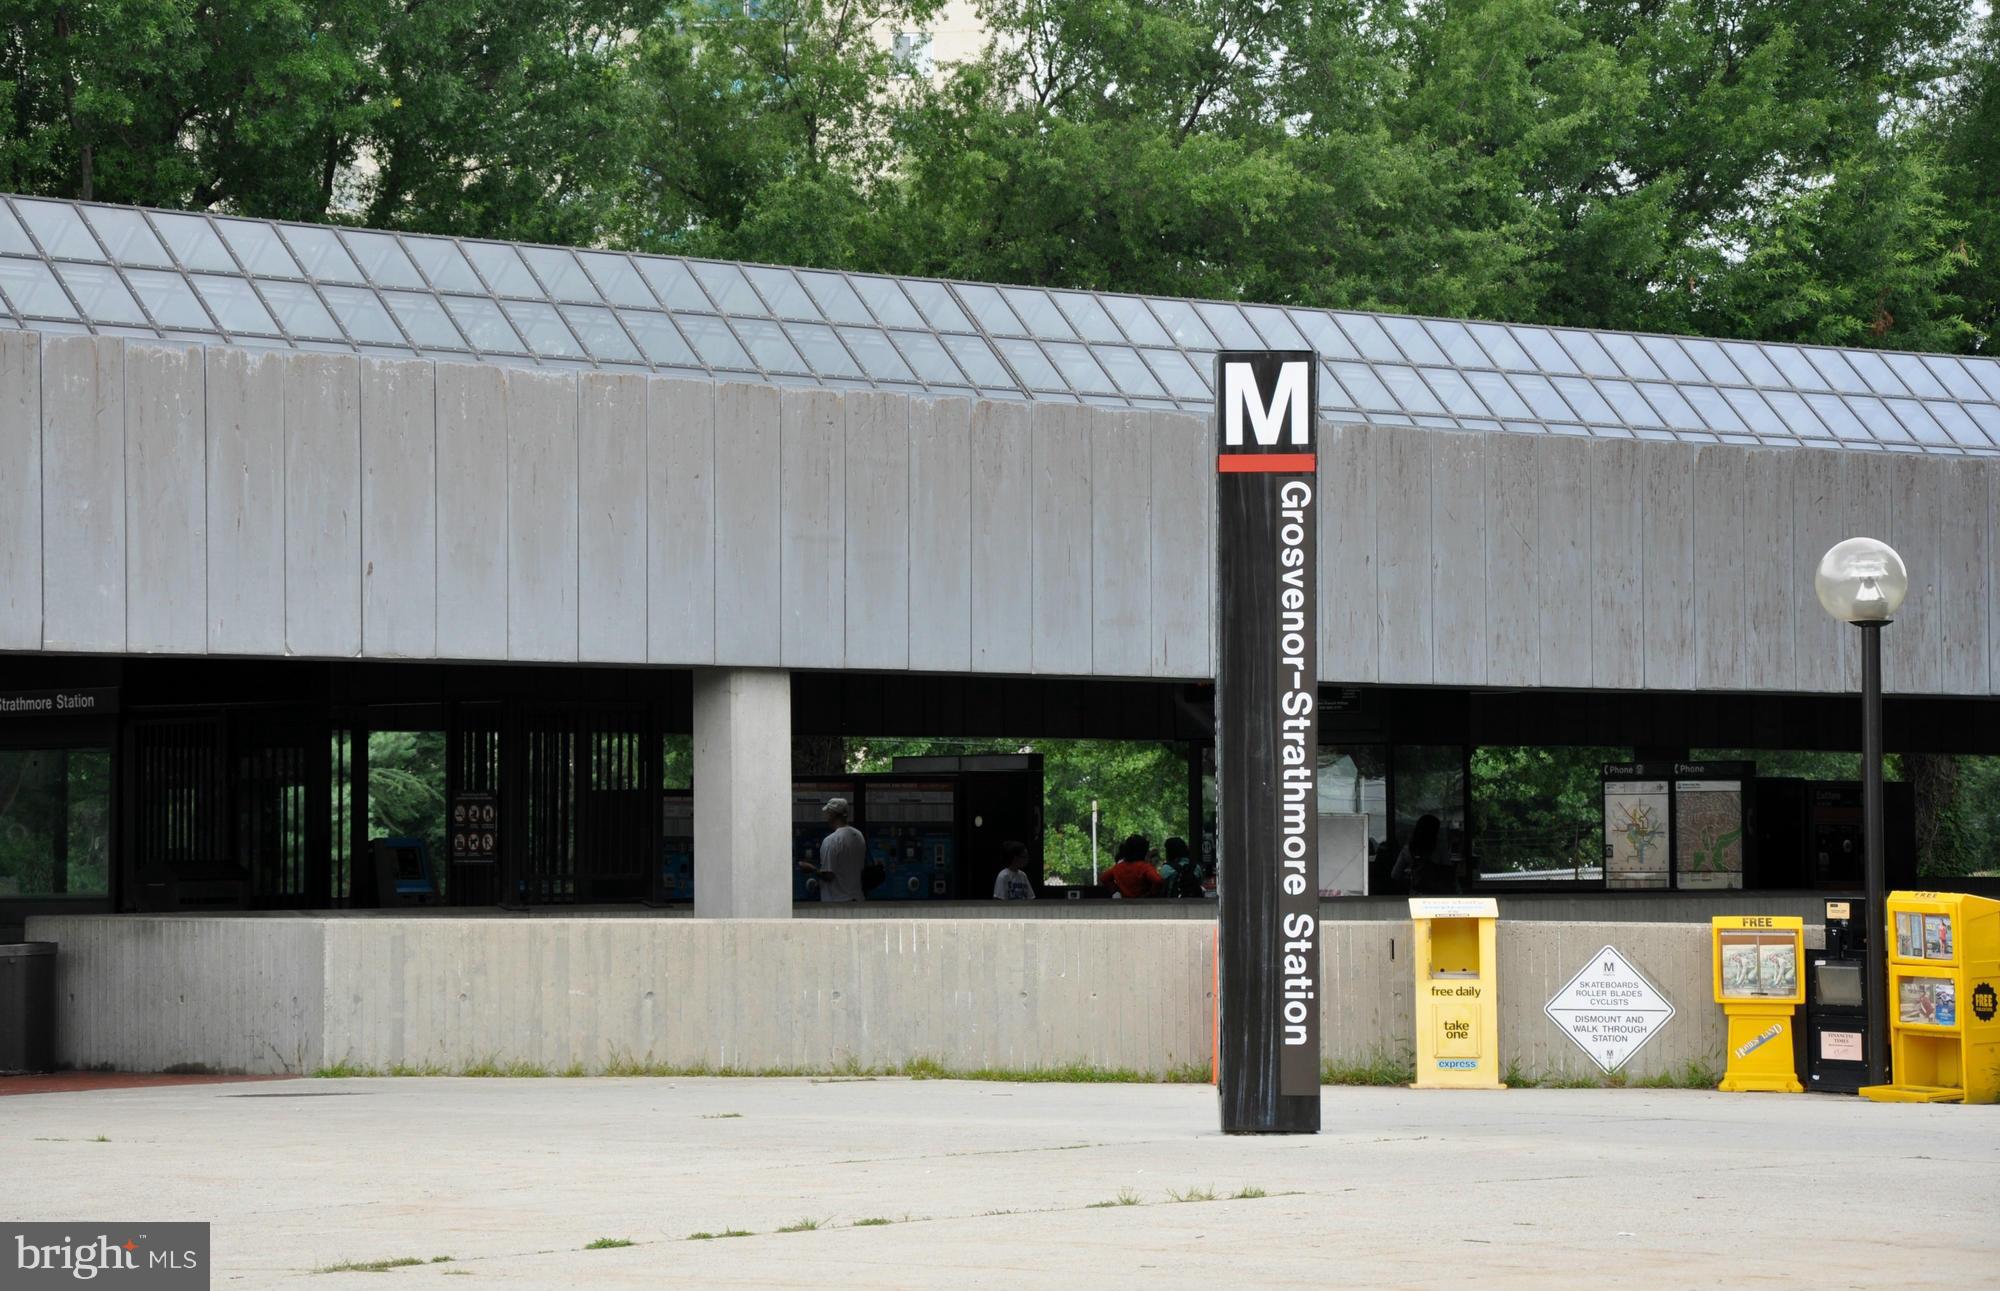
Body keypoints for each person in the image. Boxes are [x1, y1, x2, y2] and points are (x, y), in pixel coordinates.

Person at [797, 797, 866, 902]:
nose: (826, 817)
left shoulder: (831, 841)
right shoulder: (858, 835)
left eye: (828, 813)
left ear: (832, 815)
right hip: (858, 899)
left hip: (838, 903)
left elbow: (829, 876)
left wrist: (812, 869)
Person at [1391, 814, 1455, 895]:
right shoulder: (1440, 848)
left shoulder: (1408, 849)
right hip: (1437, 894)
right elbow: (1447, 871)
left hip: (1416, 894)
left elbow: (1395, 874)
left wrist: (1412, 877)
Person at [1104, 834, 1165, 899]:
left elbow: (1104, 878)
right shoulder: (1144, 867)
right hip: (1143, 904)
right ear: (1144, 851)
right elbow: (1158, 880)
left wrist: (1115, 891)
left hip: (1124, 903)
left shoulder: (1118, 867)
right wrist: (1151, 893)